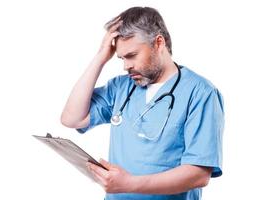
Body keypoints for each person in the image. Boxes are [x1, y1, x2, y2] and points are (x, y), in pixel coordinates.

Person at [61, 6, 224, 200]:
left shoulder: (200, 93)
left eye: (131, 55)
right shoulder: (121, 87)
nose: (126, 65)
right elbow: (72, 119)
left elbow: (199, 174)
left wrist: (129, 184)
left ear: (159, 43)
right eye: (121, 58)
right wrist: (100, 57)